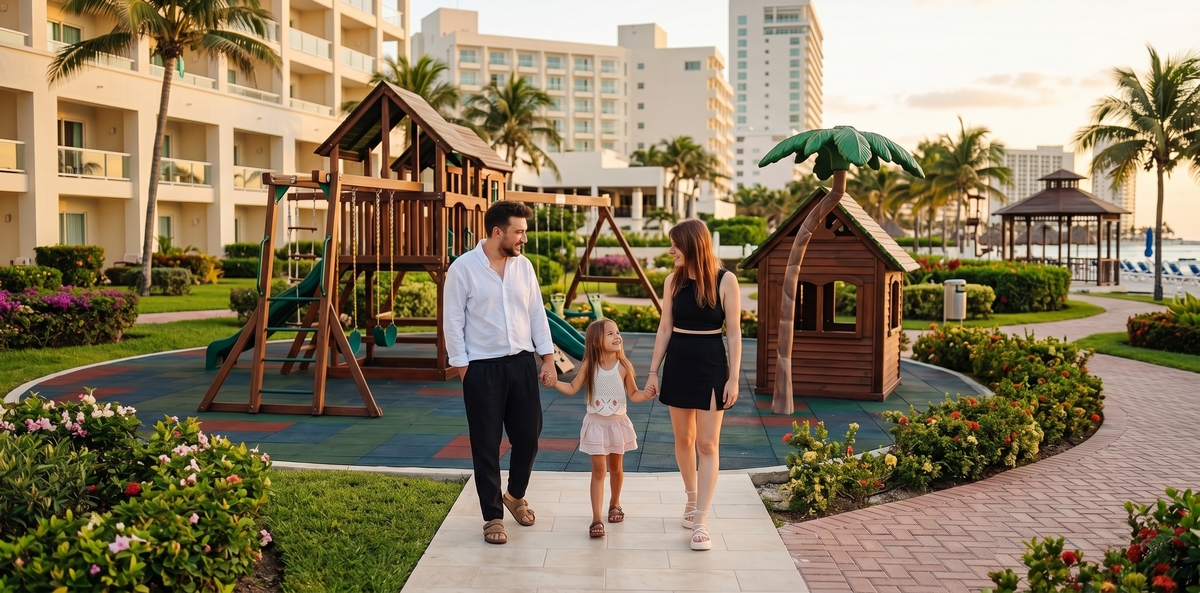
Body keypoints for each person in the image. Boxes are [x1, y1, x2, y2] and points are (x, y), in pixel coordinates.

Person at [443, 200, 558, 545]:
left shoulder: (524, 268)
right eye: (519, 231)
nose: (524, 238)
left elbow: (537, 313)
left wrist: (548, 358)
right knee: (486, 445)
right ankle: (493, 516)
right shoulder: (463, 269)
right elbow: (453, 322)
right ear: (498, 232)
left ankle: (515, 494)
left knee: (529, 437)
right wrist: (465, 369)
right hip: (482, 369)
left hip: (522, 364)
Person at [644, 218, 741, 551]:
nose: (671, 250)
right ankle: (690, 498)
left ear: (692, 244)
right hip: (679, 364)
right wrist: (653, 372)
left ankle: (701, 519)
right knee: (682, 438)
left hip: (712, 365)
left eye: (675, 244)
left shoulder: (726, 280)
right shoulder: (672, 281)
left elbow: (734, 332)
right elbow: (664, 329)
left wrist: (734, 378)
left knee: (707, 444)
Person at [554, 318, 656, 538]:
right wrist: (554, 382)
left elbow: (634, 394)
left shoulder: (624, 366)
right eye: (610, 333)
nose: (616, 336)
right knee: (599, 471)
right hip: (596, 425)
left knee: (616, 468)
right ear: (596, 341)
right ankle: (596, 518)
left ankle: (615, 503)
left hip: (617, 424)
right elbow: (572, 387)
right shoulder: (590, 366)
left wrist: (646, 394)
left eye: (617, 332)